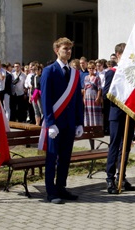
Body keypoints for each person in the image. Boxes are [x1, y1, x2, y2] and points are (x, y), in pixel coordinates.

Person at [40, 37, 84, 204]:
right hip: (55, 124)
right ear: (57, 50)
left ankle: (61, 188)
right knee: (52, 158)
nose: (68, 51)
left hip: (70, 123)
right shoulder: (48, 71)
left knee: (65, 158)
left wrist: (80, 122)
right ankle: (51, 192)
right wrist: (50, 123)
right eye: (65, 48)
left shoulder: (74, 73)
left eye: (70, 49)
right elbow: (45, 99)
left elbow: (77, 100)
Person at [103, 43, 135, 194]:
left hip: (130, 114)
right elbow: (106, 95)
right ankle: (110, 178)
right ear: (117, 56)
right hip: (117, 115)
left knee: (126, 147)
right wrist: (122, 100)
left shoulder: (132, 72)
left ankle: (121, 176)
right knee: (115, 146)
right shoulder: (111, 73)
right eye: (123, 55)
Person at [83, 62, 102, 126]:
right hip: (87, 96)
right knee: (87, 111)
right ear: (87, 69)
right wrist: (84, 98)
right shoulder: (86, 77)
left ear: (95, 69)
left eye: (92, 68)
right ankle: (88, 126)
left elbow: (99, 88)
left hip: (94, 95)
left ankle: (96, 126)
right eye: (89, 68)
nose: (91, 69)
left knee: (94, 111)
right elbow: (85, 88)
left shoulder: (97, 77)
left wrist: (98, 97)